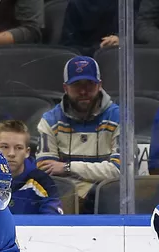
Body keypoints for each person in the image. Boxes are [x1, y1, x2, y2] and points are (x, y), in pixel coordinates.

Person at [36, 56, 120, 214]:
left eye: (89, 85)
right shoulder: (50, 120)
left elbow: (120, 171)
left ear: (100, 85)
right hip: (65, 203)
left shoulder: (120, 118)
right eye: (76, 85)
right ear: (65, 88)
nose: (83, 91)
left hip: (107, 206)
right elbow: (45, 171)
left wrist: (67, 168)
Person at [0, 120, 61, 215]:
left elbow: (52, 221)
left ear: (27, 152)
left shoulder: (42, 181)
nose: (11, 154)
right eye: (4, 147)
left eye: (18, 148)